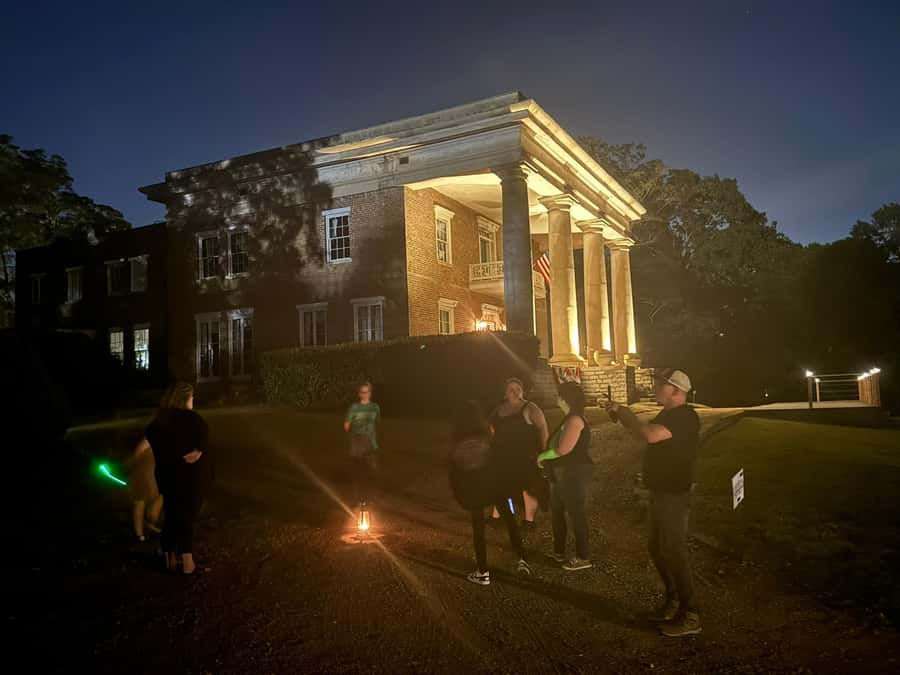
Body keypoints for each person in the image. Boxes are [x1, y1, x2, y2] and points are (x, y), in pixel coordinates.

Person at [604, 368, 701, 638]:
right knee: (658, 548)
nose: (656, 386)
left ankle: (690, 613)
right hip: (660, 492)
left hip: (674, 494)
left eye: (661, 383)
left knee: (673, 549)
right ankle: (672, 603)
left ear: (676, 391)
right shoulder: (669, 414)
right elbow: (646, 433)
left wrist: (624, 413)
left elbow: (650, 435)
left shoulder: (685, 415)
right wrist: (621, 416)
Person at [448, 401, 530, 586]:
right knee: (510, 520)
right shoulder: (487, 433)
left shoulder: (458, 441)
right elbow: (499, 456)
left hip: (474, 490)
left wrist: (461, 494)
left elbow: (455, 471)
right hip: (496, 485)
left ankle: (483, 572)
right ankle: (522, 560)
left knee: (478, 529)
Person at [144, 382, 211, 575]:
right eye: (191, 397)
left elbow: (151, 435)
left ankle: (168, 555)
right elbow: (204, 438)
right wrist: (196, 451)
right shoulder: (192, 419)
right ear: (184, 399)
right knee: (187, 515)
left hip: (167, 476)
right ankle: (187, 560)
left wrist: (171, 455)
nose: (193, 401)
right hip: (190, 477)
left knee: (172, 513)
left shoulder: (161, 420)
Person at [537, 382, 593, 572]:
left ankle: (583, 557)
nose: (557, 399)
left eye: (559, 396)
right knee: (557, 513)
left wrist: (543, 456)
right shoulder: (568, 418)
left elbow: (563, 449)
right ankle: (558, 551)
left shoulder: (575, 420)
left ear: (566, 398)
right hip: (561, 473)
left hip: (573, 472)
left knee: (576, 514)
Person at [488, 378, 549, 531]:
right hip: (503, 455)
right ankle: (497, 517)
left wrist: (544, 452)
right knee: (501, 486)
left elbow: (542, 430)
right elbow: (491, 428)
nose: (515, 392)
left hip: (525, 456)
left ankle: (529, 521)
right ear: (505, 394)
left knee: (527, 488)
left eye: (517, 389)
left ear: (523, 391)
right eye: (511, 389)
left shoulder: (530, 408)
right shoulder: (499, 409)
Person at [343, 381, 381, 505]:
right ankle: (357, 500)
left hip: (371, 445)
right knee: (358, 473)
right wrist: (355, 428)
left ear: (370, 393)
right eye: (362, 392)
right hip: (357, 446)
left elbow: (377, 423)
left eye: (367, 392)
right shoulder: (354, 408)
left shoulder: (375, 407)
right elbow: (347, 425)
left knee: (371, 473)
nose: (365, 394)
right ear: (359, 394)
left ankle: (369, 499)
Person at [125, 436, 163, 543]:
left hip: (154, 477)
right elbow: (136, 456)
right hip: (142, 476)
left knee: (160, 498)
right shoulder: (148, 440)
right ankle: (139, 534)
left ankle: (151, 523)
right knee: (140, 503)